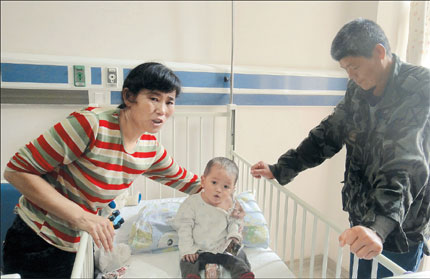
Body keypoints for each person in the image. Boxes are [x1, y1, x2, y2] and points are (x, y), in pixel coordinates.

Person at [250, 18, 429, 278]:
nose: (351, 75)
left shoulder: (420, 88)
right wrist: (281, 168)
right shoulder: (358, 88)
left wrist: (379, 226)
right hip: (362, 216)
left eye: (354, 66)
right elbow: (330, 132)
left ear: (379, 52)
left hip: (399, 226)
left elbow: (405, 162)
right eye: (346, 69)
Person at [2, 62, 204, 278]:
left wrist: (229, 192)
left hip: (80, 241)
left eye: (169, 101)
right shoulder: (91, 125)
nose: (162, 110)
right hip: (37, 240)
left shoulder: (149, 148)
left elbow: (189, 182)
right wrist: (82, 217)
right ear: (128, 97)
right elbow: (16, 171)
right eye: (154, 98)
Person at [174, 157, 254, 279]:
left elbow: (235, 222)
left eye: (226, 186)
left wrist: (233, 236)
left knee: (239, 255)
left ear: (233, 189)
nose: (218, 189)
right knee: (186, 261)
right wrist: (188, 249)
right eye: (214, 182)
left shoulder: (232, 204)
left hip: (223, 247)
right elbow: (184, 227)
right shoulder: (192, 203)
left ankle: (242, 274)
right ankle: (191, 276)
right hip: (198, 250)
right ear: (203, 181)